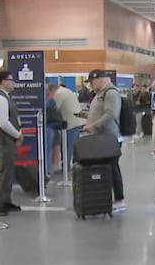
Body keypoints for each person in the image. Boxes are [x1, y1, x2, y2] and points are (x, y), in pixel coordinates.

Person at [83, 70, 126, 213]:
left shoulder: (111, 93)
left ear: (101, 79)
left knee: (112, 168)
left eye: (92, 82)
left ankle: (119, 199)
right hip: (102, 138)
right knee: (107, 168)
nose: (91, 85)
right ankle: (108, 197)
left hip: (109, 138)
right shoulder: (100, 94)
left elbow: (110, 113)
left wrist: (93, 125)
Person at [0, 71, 24, 216]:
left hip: (8, 140)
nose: (13, 83)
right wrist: (17, 135)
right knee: (5, 171)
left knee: (9, 171)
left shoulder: (6, 98)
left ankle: (6, 199)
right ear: (3, 81)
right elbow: (3, 122)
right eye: (11, 80)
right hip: (4, 141)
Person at [54, 82, 86, 170]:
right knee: (74, 145)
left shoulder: (58, 93)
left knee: (67, 146)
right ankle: (76, 165)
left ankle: (65, 167)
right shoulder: (64, 91)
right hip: (76, 120)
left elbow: (54, 107)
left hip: (71, 122)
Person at [44, 84, 65, 181]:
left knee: (49, 149)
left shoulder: (47, 100)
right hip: (52, 126)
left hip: (47, 126)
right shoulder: (51, 100)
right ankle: (51, 168)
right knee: (54, 147)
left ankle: (49, 169)